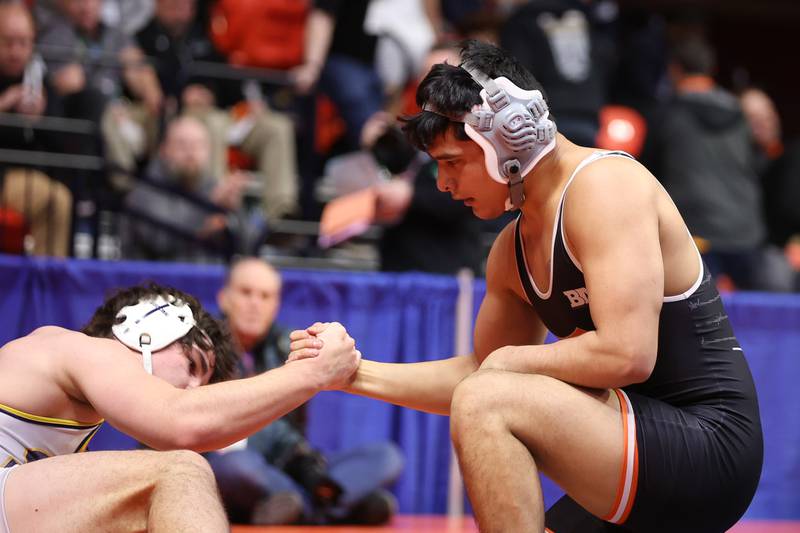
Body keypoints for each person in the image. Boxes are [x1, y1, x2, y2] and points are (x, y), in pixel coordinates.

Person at [289, 40, 763, 533]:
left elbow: (628, 354)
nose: (444, 184)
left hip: (710, 446)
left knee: (487, 400)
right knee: (487, 394)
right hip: (634, 442)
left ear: (510, 139)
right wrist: (350, 373)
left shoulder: (605, 188)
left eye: (453, 162)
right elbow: (480, 371)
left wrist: (508, 364)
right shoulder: (510, 253)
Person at [0, 282, 360, 531]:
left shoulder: (75, 381)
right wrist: (313, 373)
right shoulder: (86, 350)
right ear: (150, 325)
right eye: (192, 367)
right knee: (181, 472)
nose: (190, 388)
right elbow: (181, 420)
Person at [208, 257, 403, 525]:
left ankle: (299, 506)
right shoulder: (204, 348)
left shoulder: (289, 345)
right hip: (242, 465)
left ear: (275, 306)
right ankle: (331, 506)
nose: (255, 304)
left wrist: (307, 467)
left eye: (265, 296)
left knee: (387, 456)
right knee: (234, 466)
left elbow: (295, 440)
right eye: (246, 293)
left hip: (290, 465)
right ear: (223, 298)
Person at [121, 116, 251, 261]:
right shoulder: (146, 190)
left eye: (198, 145)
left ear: (208, 151)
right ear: (164, 150)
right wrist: (208, 208)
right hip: (153, 281)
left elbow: (248, 247)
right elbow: (161, 241)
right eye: (182, 145)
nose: (191, 153)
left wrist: (235, 210)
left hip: (206, 280)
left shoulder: (211, 186)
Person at [0, 1, 72, 257]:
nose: (16, 51)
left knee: (59, 198)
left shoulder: (39, 82)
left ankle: (45, 286)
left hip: (33, 176)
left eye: (23, 43)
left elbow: (63, 142)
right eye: (8, 42)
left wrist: (43, 117)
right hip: (5, 176)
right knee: (56, 199)